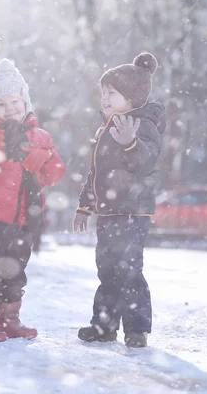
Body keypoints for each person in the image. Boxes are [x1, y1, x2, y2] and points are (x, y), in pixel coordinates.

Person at [0, 59, 66, 342]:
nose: (9, 109)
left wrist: (42, 157)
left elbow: (54, 173)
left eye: (14, 102)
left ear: (25, 102)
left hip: (25, 219)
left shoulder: (41, 136)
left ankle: (9, 320)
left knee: (14, 270)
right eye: (1, 104)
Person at [73, 52, 166, 348]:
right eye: (103, 92)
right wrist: (85, 206)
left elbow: (147, 162)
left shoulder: (142, 125)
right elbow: (96, 173)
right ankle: (104, 326)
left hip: (132, 211)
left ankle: (136, 329)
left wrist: (130, 144)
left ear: (132, 96)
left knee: (128, 269)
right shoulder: (107, 128)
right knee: (107, 270)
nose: (105, 97)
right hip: (109, 213)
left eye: (112, 92)